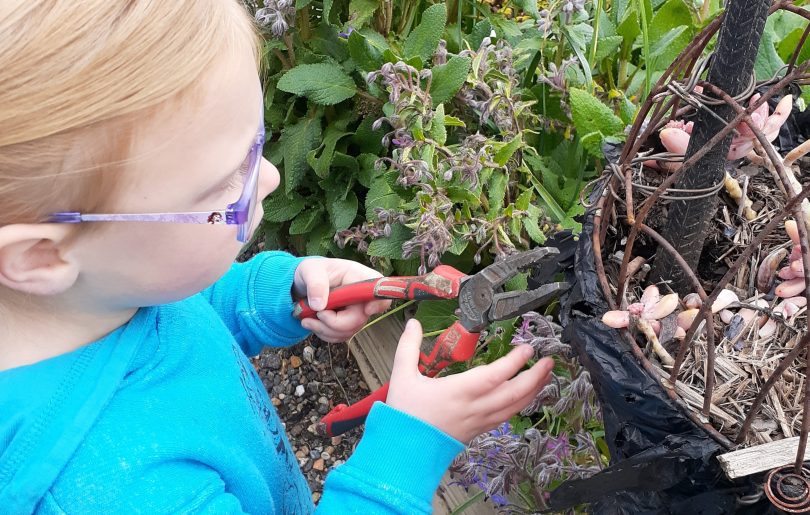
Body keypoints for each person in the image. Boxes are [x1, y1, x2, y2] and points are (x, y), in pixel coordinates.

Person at [0, 1, 555, 513]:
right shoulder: (114, 494)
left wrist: (276, 293)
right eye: (224, 186)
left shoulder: (96, 296)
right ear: (40, 258)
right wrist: (407, 451)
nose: (267, 178)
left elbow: (181, 310)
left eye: (257, 147)